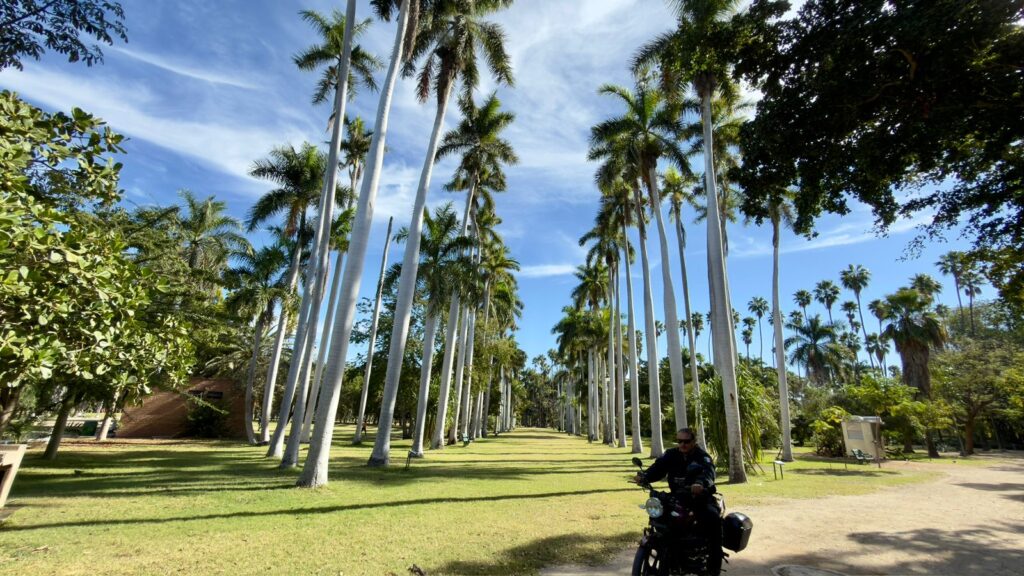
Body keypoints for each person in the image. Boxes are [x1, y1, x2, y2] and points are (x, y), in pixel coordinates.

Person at [633, 428, 724, 576]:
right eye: (679, 441)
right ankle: (672, 556)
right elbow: (658, 468)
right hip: (677, 497)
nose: (682, 444)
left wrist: (700, 483)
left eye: (686, 441)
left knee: (712, 518)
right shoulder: (671, 454)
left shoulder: (702, 457)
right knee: (663, 519)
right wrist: (644, 476)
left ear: (694, 441)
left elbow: (708, 473)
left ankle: (714, 567)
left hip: (699, 499)